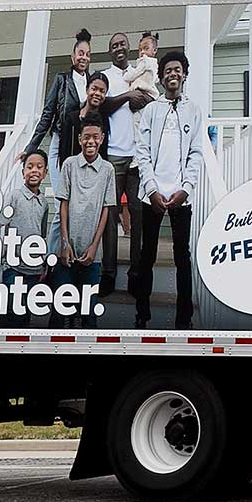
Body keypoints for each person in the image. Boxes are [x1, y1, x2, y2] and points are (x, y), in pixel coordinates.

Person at [133, 50, 205, 329]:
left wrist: (185, 189)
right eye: (168, 71)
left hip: (180, 197)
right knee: (146, 255)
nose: (173, 74)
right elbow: (142, 153)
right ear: (161, 78)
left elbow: (196, 153)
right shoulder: (151, 110)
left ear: (184, 74)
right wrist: (151, 189)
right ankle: (142, 315)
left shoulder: (193, 110)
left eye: (177, 69)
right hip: (151, 195)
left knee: (181, 257)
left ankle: (183, 318)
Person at [100, 32, 155, 296]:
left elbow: (153, 102)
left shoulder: (140, 72)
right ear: (110, 51)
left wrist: (141, 98)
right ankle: (108, 273)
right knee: (110, 217)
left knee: (137, 216)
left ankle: (135, 274)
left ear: (129, 48)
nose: (119, 48)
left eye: (122, 43)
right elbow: (102, 106)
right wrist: (126, 97)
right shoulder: (106, 76)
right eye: (114, 45)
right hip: (112, 156)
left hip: (137, 158)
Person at [0, 149, 52, 325]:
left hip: (33, 268)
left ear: (45, 173)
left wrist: (43, 263)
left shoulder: (45, 203)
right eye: (30, 167)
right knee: (9, 306)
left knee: (24, 309)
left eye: (39, 167)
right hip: (13, 266)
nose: (34, 170)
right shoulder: (15, 196)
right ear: (23, 172)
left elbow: (42, 235)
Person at [57, 123, 116, 327]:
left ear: (102, 139)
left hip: (92, 253)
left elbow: (106, 209)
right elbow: (63, 204)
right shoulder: (69, 165)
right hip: (68, 250)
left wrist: (94, 246)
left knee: (88, 313)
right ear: (79, 139)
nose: (90, 141)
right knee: (61, 310)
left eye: (95, 137)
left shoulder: (108, 169)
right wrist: (65, 243)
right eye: (86, 137)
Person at [25, 29, 96, 196]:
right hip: (60, 141)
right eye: (80, 53)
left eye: (87, 54)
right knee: (60, 197)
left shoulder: (92, 83)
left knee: (78, 197)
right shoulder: (61, 80)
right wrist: (31, 147)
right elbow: (47, 114)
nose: (83, 57)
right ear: (72, 57)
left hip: (82, 145)